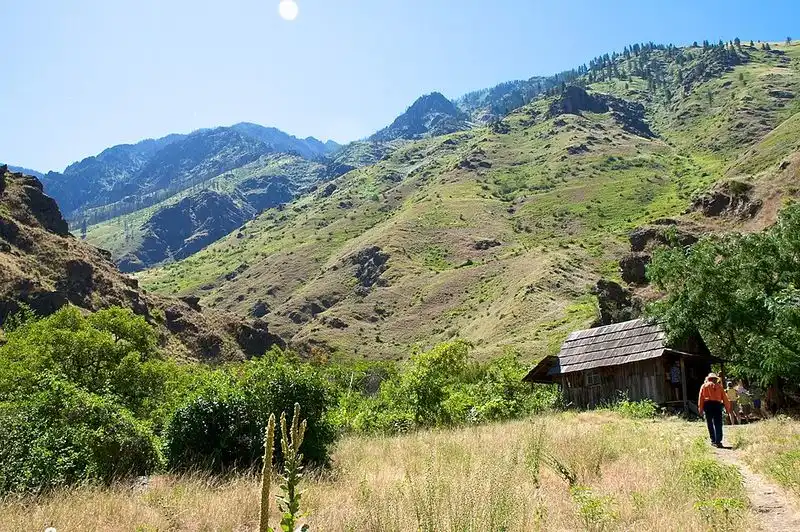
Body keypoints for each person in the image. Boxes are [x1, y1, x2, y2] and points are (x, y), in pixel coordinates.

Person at [698, 373, 732, 448]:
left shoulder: (704, 386)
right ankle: (718, 441)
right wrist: (727, 409)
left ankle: (713, 440)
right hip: (717, 405)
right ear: (715, 379)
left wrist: (700, 409)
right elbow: (725, 398)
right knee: (718, 423)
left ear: (708, 379)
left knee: (710, 423)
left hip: (707, 405)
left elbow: (701, 398)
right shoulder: (719, 386)